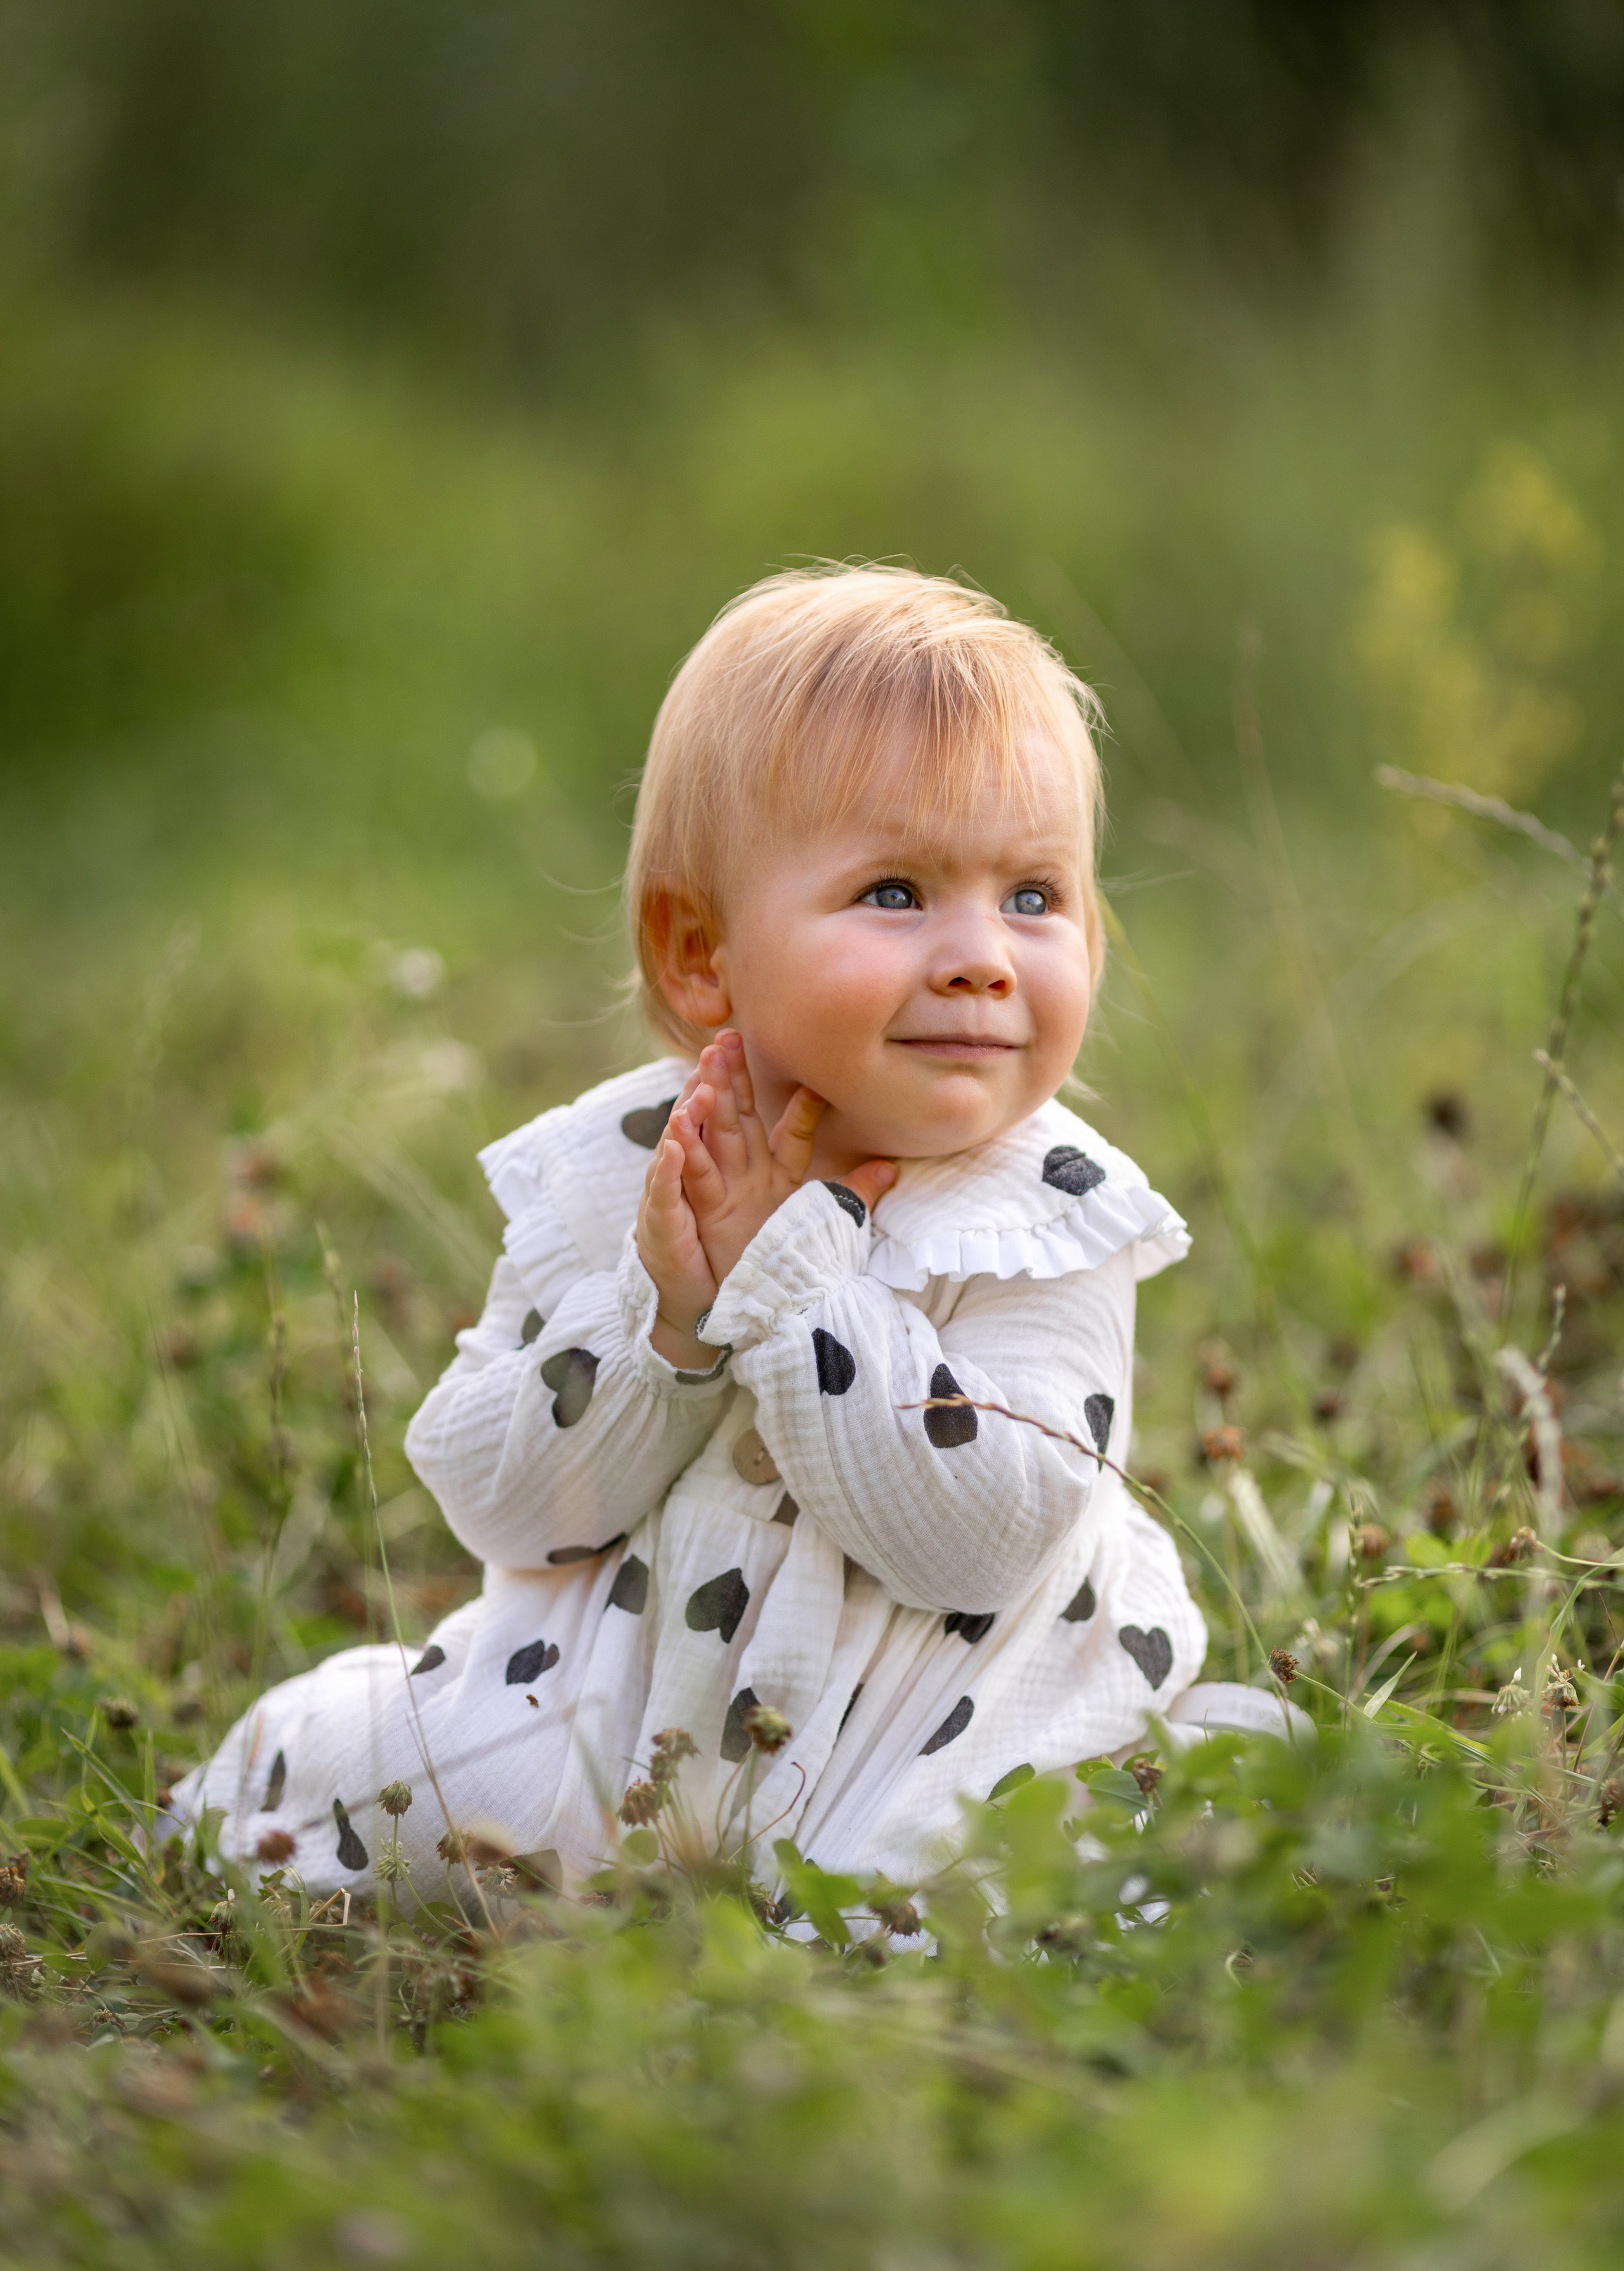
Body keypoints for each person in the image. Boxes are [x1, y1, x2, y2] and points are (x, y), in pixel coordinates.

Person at [175, 565, 1278, 1901]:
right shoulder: (635, 1174)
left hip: (942, 1719)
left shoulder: (1044, 1214)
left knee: (953, 1885)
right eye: (894, 891)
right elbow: (506, 1504)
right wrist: (670, 1325)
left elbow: (983, 1539)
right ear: (702, 951)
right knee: (374, 1805)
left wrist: (794, 1283)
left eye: (1033, 896)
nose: (982, 953)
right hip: (624, 1705)